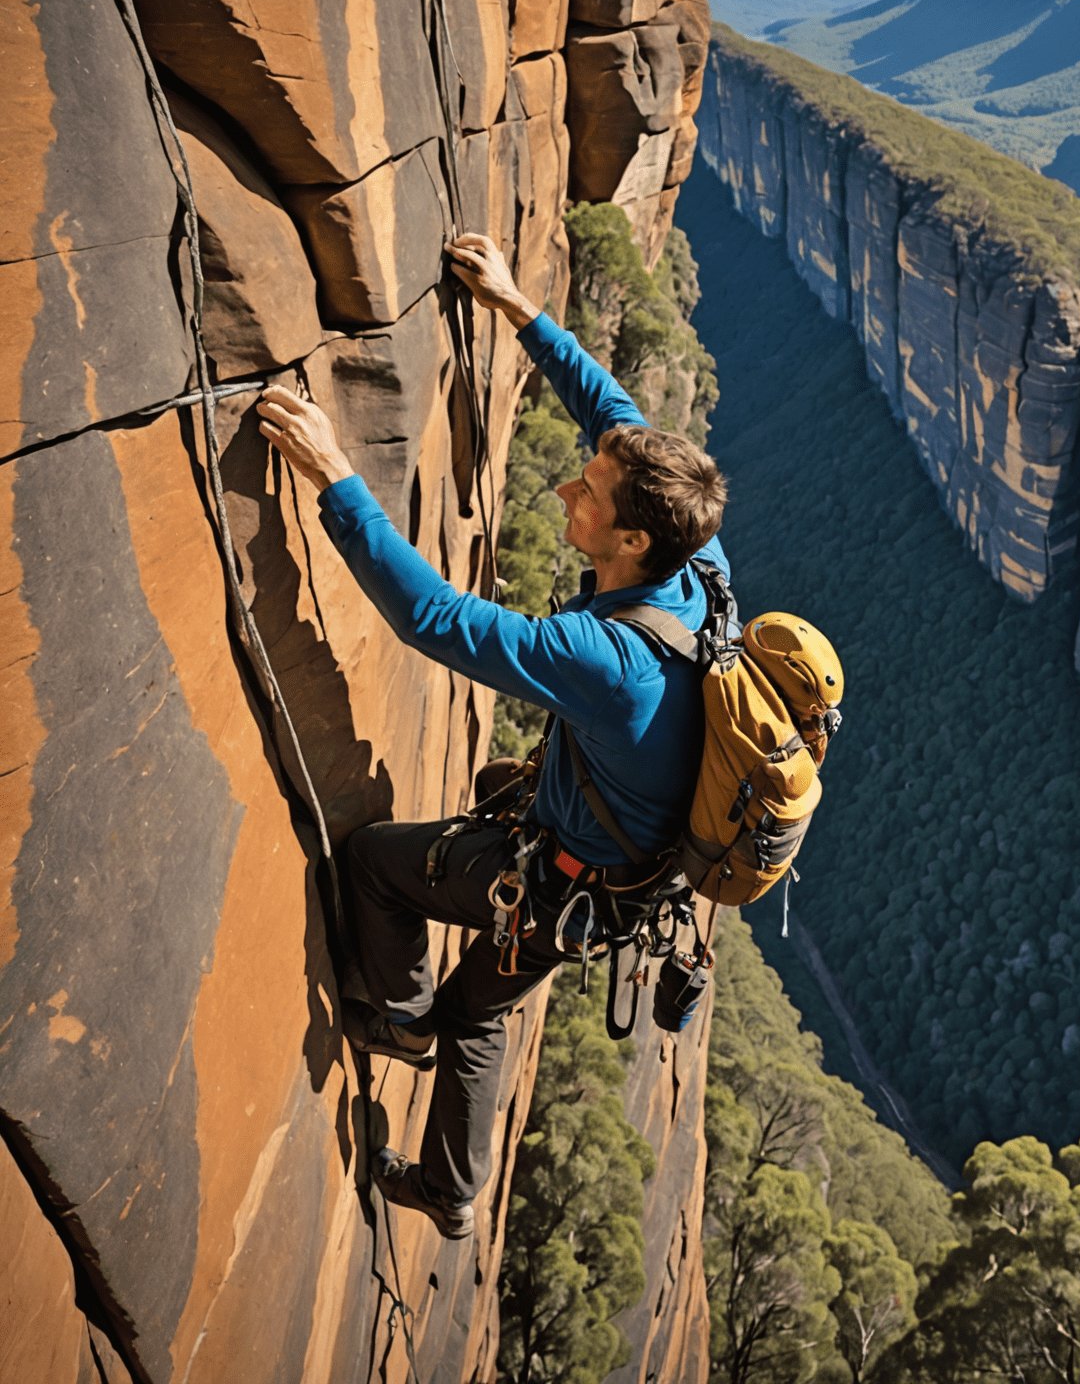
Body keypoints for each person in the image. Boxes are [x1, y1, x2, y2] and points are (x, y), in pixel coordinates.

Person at [257, 233, 728, 1240]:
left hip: (567, 888)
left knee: (379, 867)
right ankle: (449, 1159)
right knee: (482, 1006)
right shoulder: (698, 557)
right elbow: (618, 413)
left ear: (632, 537)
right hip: (616, 870)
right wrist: (518, 306)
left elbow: (434, 620)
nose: (568, 490)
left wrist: (336, 475)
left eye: (587, 494)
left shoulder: (606, 659)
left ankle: (401, 1019)